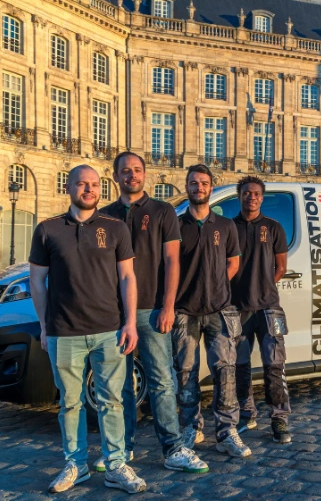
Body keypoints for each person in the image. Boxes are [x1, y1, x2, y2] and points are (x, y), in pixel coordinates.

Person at [29, 165, 146, 494]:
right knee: (70, 402)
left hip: (109, 330)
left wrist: (130, 322)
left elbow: (127, 278)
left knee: (112, 402)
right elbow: (36, 281)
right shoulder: (48, 230)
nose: (89, 189)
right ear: (69, 187)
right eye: (82, 184)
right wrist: (43, 325)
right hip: (63, 332)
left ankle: (116, 465)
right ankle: (75, 465)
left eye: (94, 185)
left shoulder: (115, 228)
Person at [97, 152, 208, 474]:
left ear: (144, 174)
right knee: (121, 386)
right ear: (116, 176)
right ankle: (122, 449)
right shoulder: (105, 216)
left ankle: (173, 448)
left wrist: (169, 306)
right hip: (115, 314)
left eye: (137, 170)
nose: (132, 175)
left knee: (161, 381)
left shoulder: (162, 212)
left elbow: (173, 261)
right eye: (125, 171)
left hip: (152, 310)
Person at [172, 164, 250, 457]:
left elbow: (233, 263)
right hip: (185, 309)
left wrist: (214, 284)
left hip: (219, 309)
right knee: (186, 372)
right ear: (188, 187)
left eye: (204, 183)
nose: (199, 188)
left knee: (224, 370)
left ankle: (227, 430)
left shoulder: (225, 225)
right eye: (194, 183)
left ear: (211, 187)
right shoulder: (177, 226)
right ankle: (191, 426)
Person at [232, 176, 292, 444]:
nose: (251, 197)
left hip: (269, 308)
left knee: (275, 365)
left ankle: (279, 417)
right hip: (237, 309)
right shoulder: (230, 227)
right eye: (246, 193)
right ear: (239, 196)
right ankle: (247, 413)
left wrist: (263, 286)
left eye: (256, 194)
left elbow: (281, 267)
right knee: (239, 366)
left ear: (262, 198)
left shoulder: (273, 227)